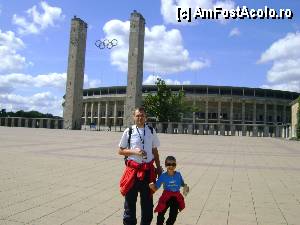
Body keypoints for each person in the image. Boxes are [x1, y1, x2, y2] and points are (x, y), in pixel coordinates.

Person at [118, 107, 162, 225]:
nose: (140, 118)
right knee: (130, 202)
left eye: (142, 115)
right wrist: (134, 152)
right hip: (132, 171)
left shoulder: (151, 131)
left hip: (148, 172)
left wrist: (158, 167)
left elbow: (155, 151)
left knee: (147, 203)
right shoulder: (129, 131)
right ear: (134, 117)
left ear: (145, 117)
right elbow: (121, 151)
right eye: (137, 115)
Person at [149, 156, 189, 225]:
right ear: (165, 165)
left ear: (175, 165)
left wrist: (185, 186)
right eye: (169, 164)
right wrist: (152, 186)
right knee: (161, 213)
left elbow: (182, 183)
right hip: (166, 197)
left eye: (173, 164)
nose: (171, 166)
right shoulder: (163, 176)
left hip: (176, 197)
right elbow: (156, 188)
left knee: (173, 216)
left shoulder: (178, 175)